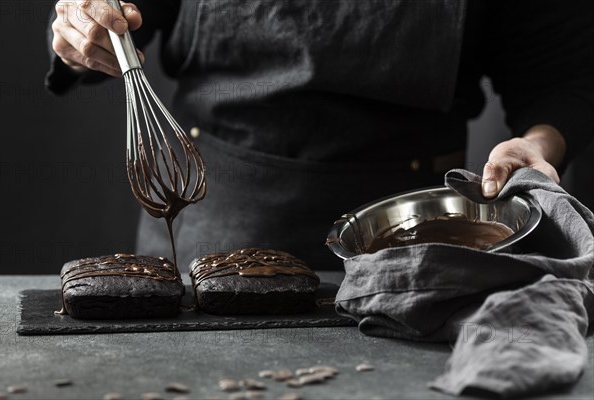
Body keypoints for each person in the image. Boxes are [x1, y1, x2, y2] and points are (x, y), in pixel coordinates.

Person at [47, 0, 594, 270]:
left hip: (412, 246)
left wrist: (539, 146)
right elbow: (114, 14)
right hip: (213, 227)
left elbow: (562, 76)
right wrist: (86, 28)